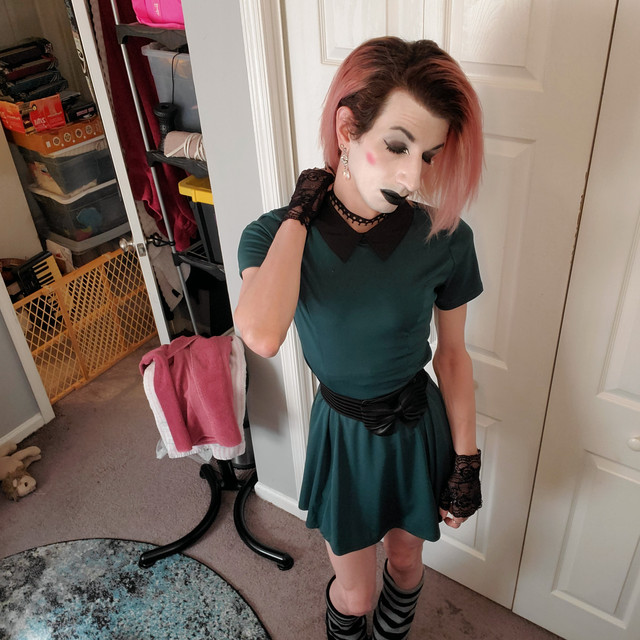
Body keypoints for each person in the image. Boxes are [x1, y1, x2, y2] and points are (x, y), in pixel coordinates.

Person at [235, 36, 484, 640]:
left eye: (428, 156)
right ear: (348, 130)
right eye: (397, 146)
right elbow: (262, 334)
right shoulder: (273, 235)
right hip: (344, 434)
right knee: (356, 592)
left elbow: (453, 357)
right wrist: (301, 213)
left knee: (406, 563)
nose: (412, 175)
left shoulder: (445, 237)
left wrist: (466, 460)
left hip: (417, 425)